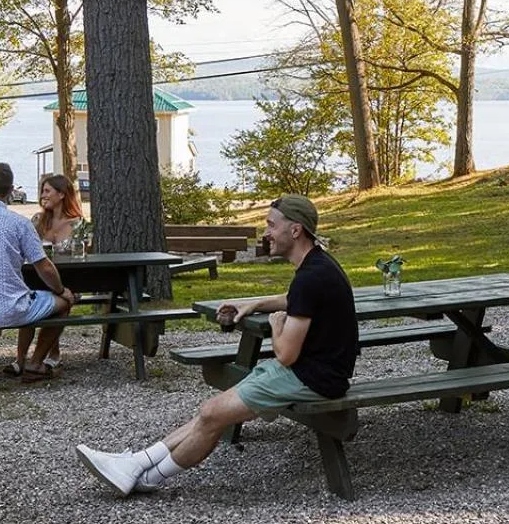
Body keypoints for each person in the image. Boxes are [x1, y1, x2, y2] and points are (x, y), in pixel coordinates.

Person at [76, 194, 359, 495]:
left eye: (271, 225)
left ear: (295, 230)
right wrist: (252, 304)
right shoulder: (320, 264)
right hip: (315, 372)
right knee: (209, 412)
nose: (266, 233)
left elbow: (286, 353)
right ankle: (133, 464)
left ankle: (148, 479)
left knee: (212, 414)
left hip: (311, 378)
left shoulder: (311, 277)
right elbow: (297, 301)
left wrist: (278, 326)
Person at [0, 161, 77, 385]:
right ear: (11, 191)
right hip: (11, 306)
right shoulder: (18, 223)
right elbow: (44, 266)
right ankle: (36, 363)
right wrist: (61, 290)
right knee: (62, 304)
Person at [24, 173, 83, 380]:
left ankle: (48, 355)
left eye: (47, 191)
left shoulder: (78, 224)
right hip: (38, 278)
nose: (43, 195)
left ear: (62, 194)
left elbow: (84, 254)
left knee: (58, 300)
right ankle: (29, 357)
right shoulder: (37, 221)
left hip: (69, 280)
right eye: (42, 191)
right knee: (36, 299)